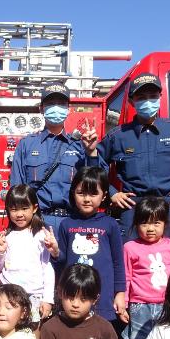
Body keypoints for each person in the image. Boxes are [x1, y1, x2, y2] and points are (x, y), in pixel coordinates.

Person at [86, 72, 170, 260]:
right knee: (127, 264)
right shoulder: (118, 135)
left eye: (153, 96)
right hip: (133, 207)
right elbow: (95, 167)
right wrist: (112, 193)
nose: (148, 101)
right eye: (141, 98)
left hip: (169, 206)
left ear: (160, 98)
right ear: (131, 102)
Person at [47, 167, 127, 339]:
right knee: (76, 336)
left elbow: (117, 262)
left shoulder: (110, 224)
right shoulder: (67, 224)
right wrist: (55, 252)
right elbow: (63, 264)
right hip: (75, 294)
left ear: (104, 195)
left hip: (104, 295)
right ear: (73, 193)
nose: (87, 199)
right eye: (81, 193)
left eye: (93, 193)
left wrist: (120, 293)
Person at [10, 83, 105, 234]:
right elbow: (16, 189)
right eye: (50, 103)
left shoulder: (80, 145)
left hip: (73, 222)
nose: (56, 108)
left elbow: (96, 182)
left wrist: (91, 152)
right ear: (41, 109)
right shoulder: (26, 145)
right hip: (36, 223)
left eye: (61, 104)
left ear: (68, 110)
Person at [122, 197, 170, 339]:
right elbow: (126, 277)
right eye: (144, 223)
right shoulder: (130, 247)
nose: (150, 229)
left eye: (156, 223)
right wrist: (124, 303)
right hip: (139, 305)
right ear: (136, 225)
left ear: (165, 223)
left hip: (167, 304)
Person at [0, 184, 54, 325]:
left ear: (35, 208)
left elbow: (47, 269)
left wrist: (48, 299)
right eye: (14, 210)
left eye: (25, 208)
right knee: (8, 334)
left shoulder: (41, 235)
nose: (19, 214)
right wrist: (0, 252)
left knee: (34, 336)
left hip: (34, 295)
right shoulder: (6, 236)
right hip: (9, 296)